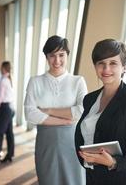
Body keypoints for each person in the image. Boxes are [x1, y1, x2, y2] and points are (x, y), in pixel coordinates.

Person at [75, 39, 126, 185]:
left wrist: (114, 162)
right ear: (95, 66)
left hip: (121, 180)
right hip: (92, 178)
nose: (106, 69)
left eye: (113, 63)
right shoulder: (90, 99)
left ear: (124, 67)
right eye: (101, 63)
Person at [24, 35, 87, 185]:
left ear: (67, 55)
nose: (57, 61)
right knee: (48, 180)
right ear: (46, 57)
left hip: (73, 142)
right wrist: (64, 121)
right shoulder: (36, 81)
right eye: (52, 55)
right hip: (46, 143)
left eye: (61, 55)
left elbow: (82, 110)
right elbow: (29, 113)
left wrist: (47, 110)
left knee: (74, 180)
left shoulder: (77, 81)